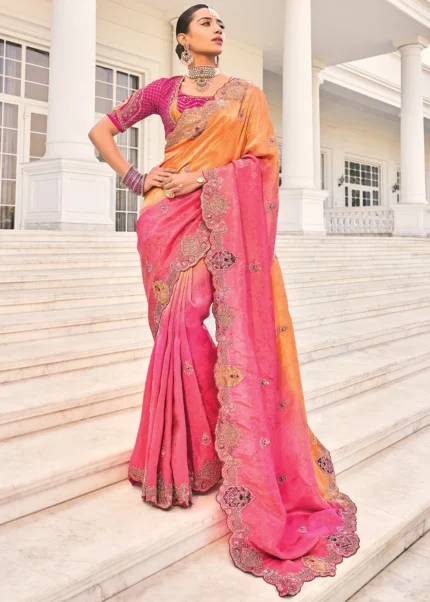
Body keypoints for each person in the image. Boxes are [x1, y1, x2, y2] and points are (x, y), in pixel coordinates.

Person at [88, 4, 359, 597]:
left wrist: (204, 181)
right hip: (163, 223)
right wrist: (138, 180)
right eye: (205, 23)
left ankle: (197, 456)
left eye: (220, 24)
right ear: (183, 38)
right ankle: (181, 459)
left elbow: (263, 163)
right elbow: (100, 129)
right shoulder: (162, 91)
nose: (218, 29)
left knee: (188, 325)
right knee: (173, 331)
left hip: (214, 221)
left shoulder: (245, 94)